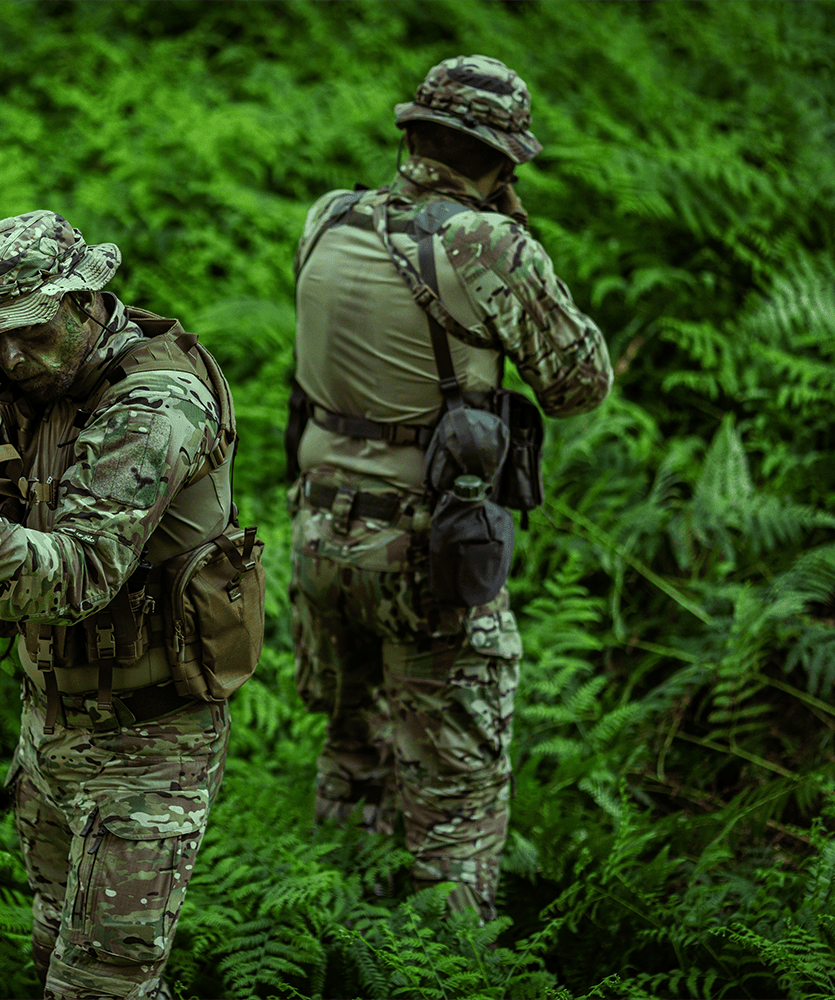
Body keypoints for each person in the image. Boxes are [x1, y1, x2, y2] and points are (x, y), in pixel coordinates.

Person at [0, 209, 261, 1000]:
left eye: (28, 332)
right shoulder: (33, 375)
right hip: (52, 726)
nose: (10, 357)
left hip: (149, 744)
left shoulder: (155, 406)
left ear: (84, 302)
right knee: (54, 954)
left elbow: (77, 576)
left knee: (101, 988)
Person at [286, 55, 613, 920]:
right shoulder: (488, 243)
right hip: (426, 555)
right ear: (501, 160)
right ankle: (438, 971)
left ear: (412, 134)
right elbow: (580, 383)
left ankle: (333, 939)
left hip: (320, 539)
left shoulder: (328, 218)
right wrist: (518, 240)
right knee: (457, 810)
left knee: (353, 757)